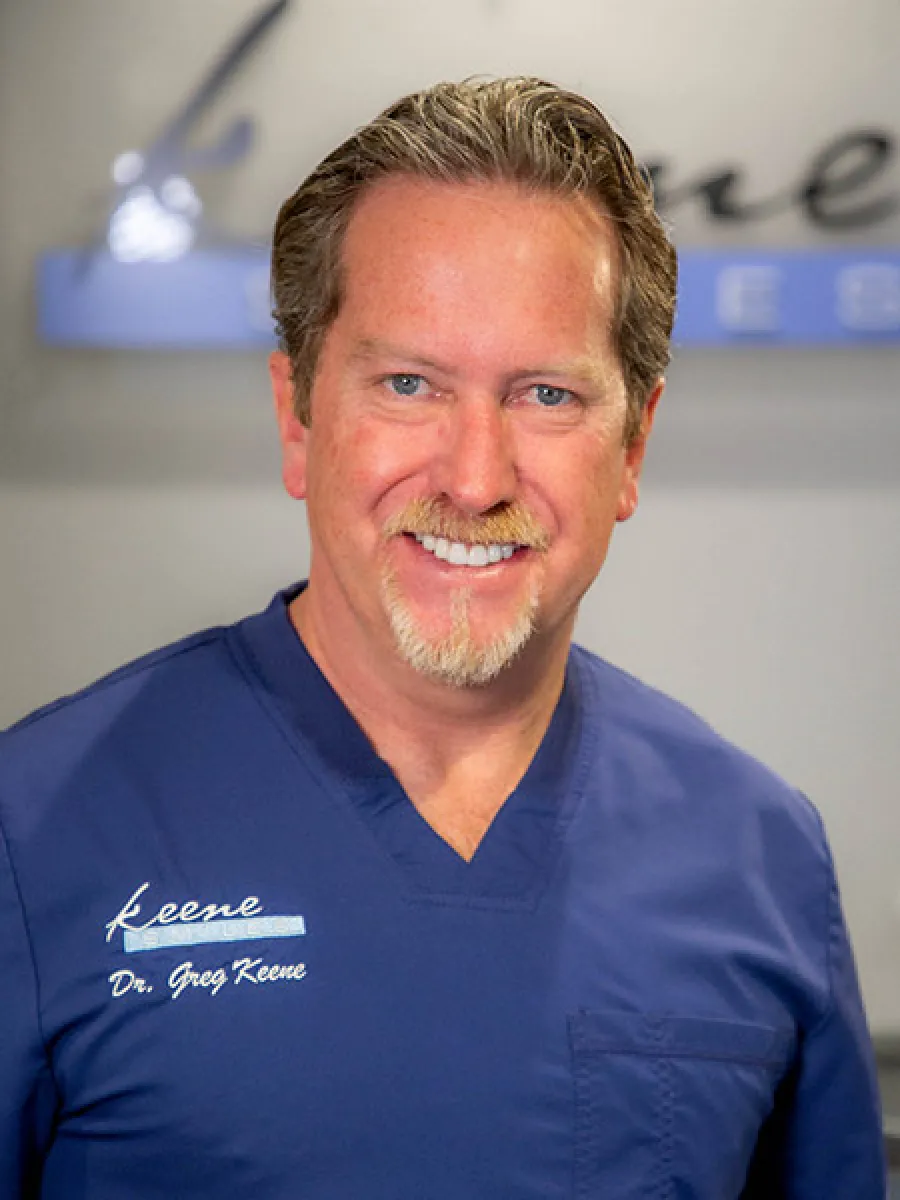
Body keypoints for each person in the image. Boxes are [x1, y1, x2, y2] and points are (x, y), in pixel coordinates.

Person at [0, 78, 885, 1199]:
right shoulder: (35, 832)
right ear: (297, 416)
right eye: (409, 383)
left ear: (635, 446)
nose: (474, 478)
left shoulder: (762, 857)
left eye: (548, 396)